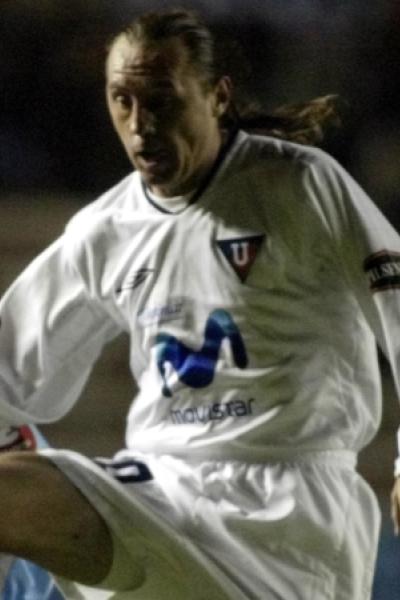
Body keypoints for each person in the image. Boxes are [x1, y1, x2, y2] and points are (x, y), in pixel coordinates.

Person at [0, 7, 399, 599]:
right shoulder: (107, 227)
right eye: (122, 100)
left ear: (217, 96)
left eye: (161, 99)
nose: (140, 126)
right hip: (160, 496)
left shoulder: (299, 185)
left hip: (292, 519)